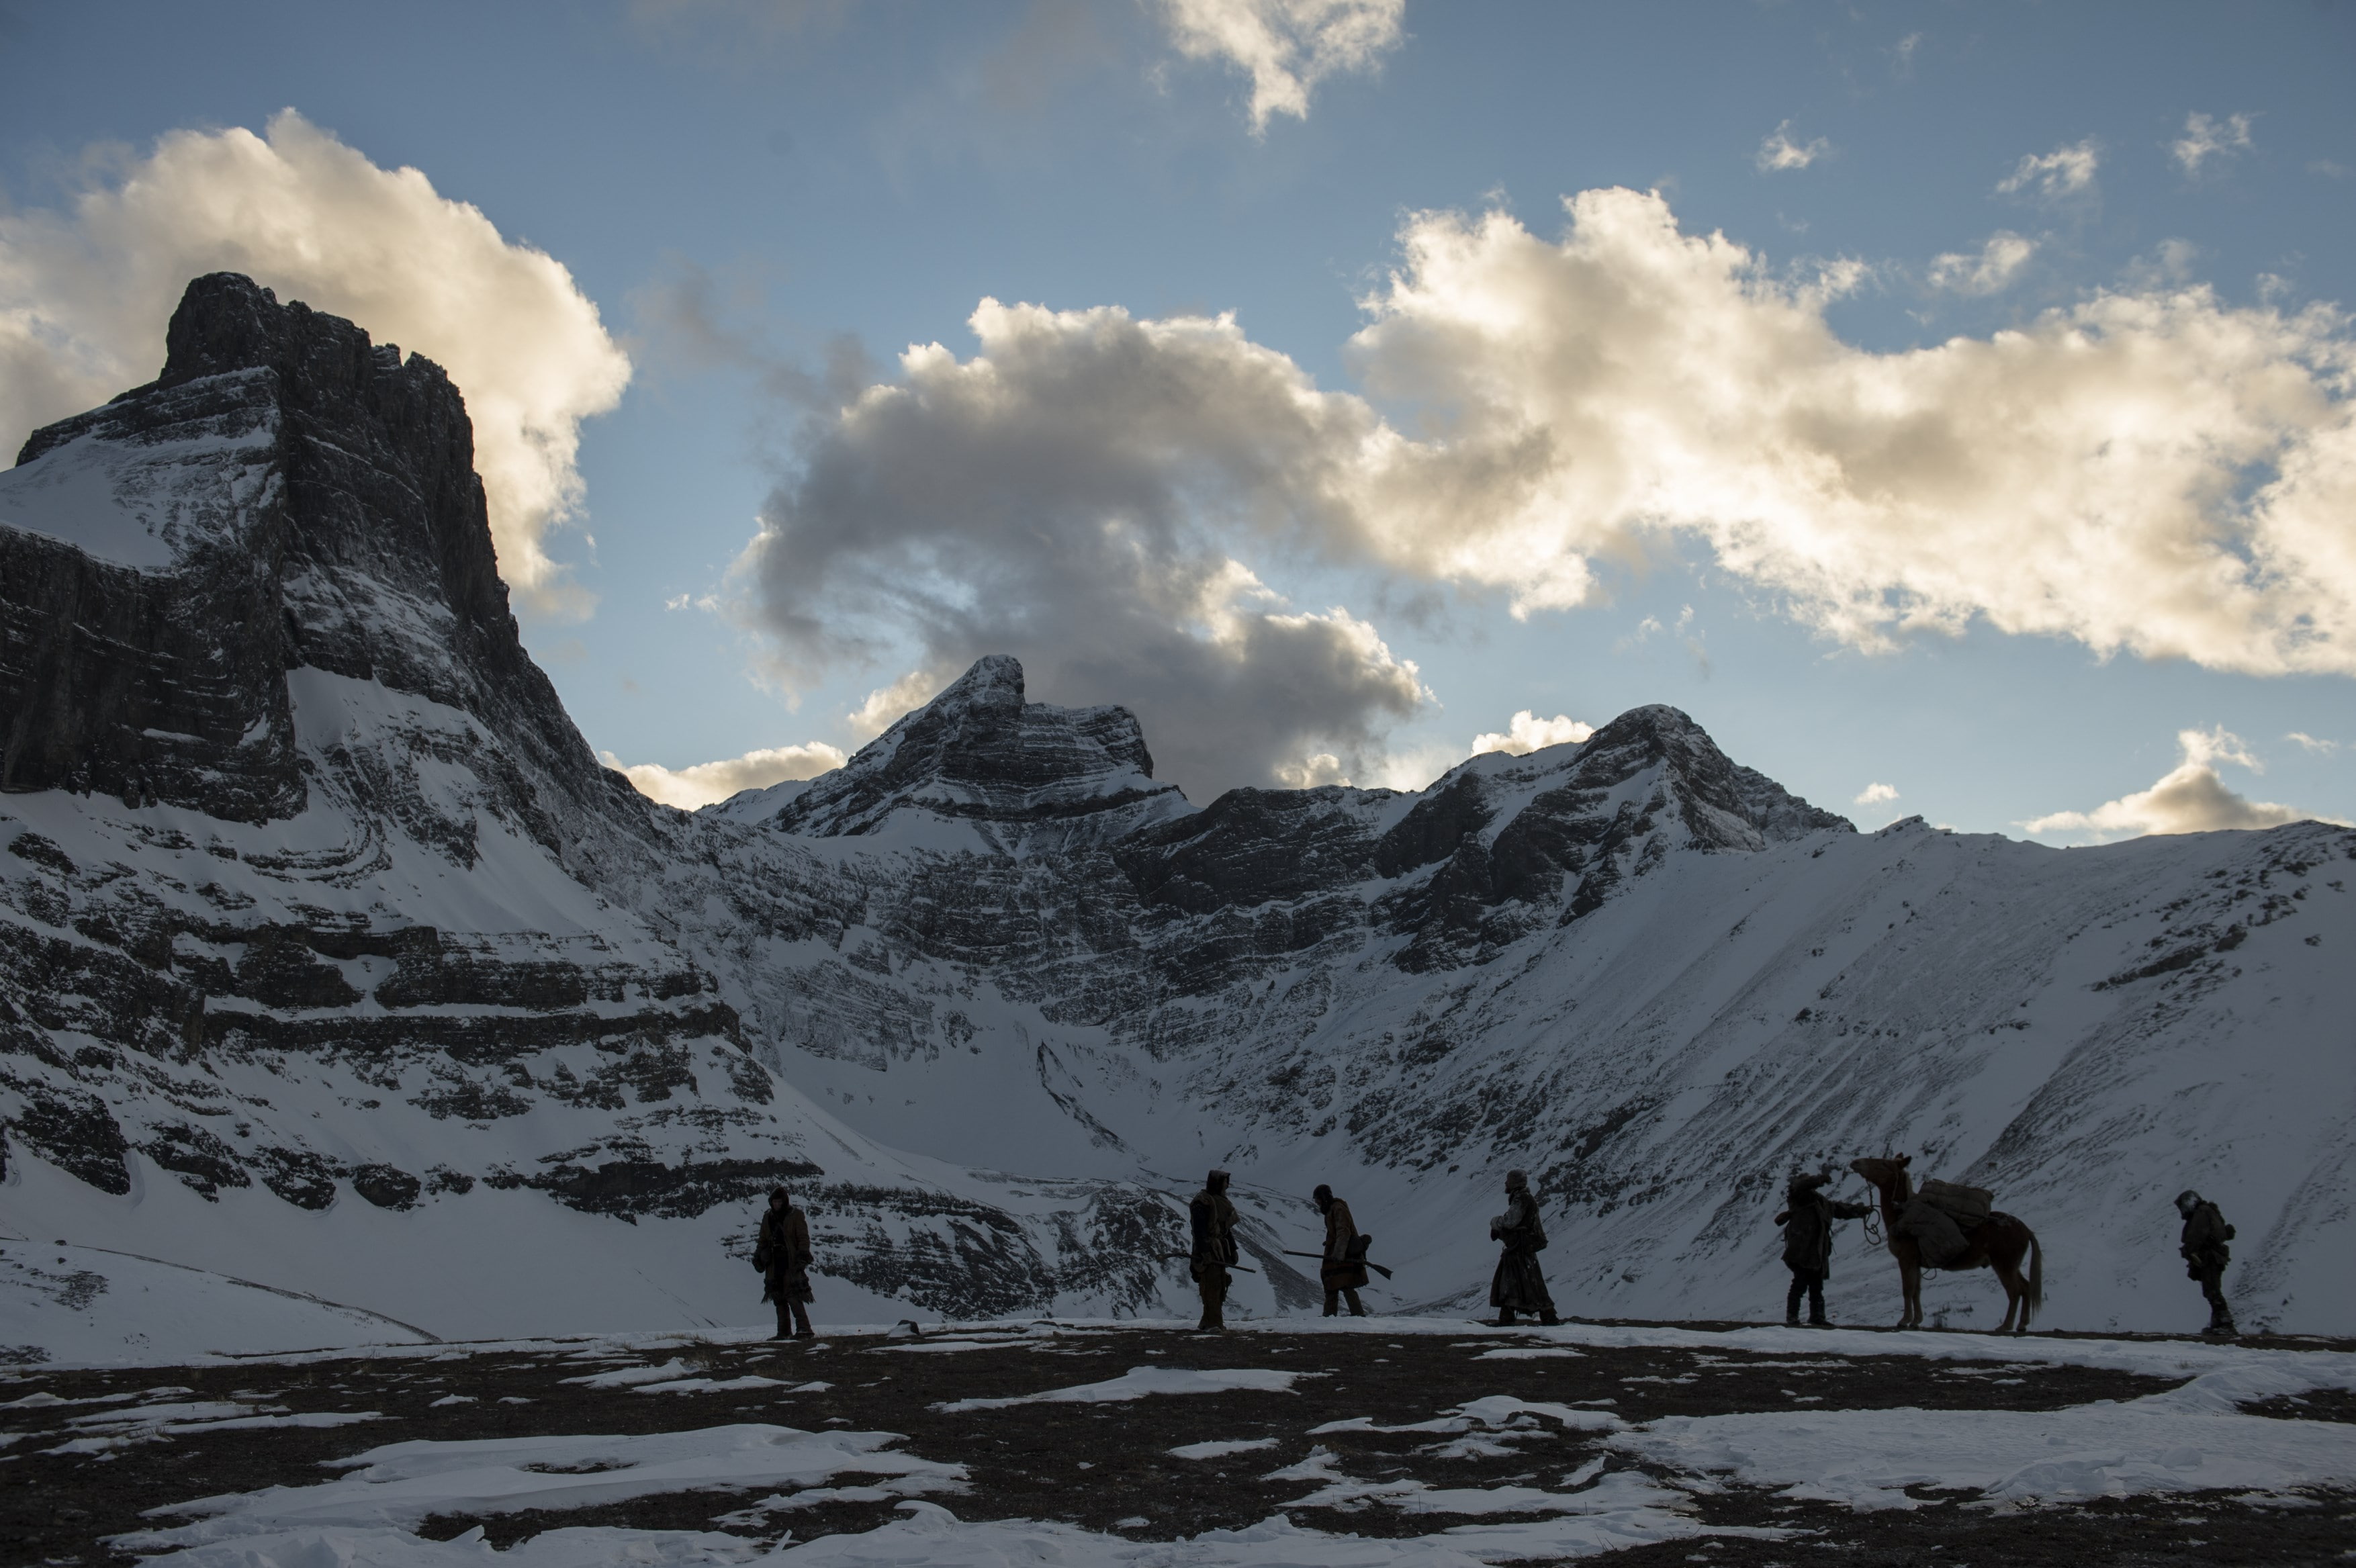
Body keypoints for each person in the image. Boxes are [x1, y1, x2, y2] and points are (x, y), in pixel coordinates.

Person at [1775, 1170, 1871, 1327]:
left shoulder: (1821, 1202)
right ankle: (1795, 1317)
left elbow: (1840, 1210)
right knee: (1800, 1284)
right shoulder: (1799, 1198)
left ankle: (1816, 1316)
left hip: (1815, 1251)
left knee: (1815, 1286)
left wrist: (1860, 1211)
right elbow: (1800, 1187)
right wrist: (1819, 1179)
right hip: (1802, 1250)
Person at [1488, 1170, 1559, 1326]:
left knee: (1512, 1281)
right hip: (1522, 1248)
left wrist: (1495, 1222)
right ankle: (1547, 1316)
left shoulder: (1521, 1198)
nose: (1506, 1183)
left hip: (1520, 1249)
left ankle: (1509, 1318)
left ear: (1514, 1182)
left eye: (1508, 1180)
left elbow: (1511, 1221)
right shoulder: (1524, 1198)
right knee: (1528, 1281)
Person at [2175, 1189, 2238, 1338]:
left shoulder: (2201, 1213)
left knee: (2212, 1290)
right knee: (2211, 1289)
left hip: (2210, 1257)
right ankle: (2218, 1323)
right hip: (2214, 1257)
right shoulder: (2209, 1211)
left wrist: (2188, 1250)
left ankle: (2225, 1324)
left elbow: (2196, 1236)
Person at [754, 1187, 815, 1339]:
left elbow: (803, 1238)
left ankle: (804, 1329)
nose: (777, 1204)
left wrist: (802, 1257)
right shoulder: (768, 1217)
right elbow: (762, 1239)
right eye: (774, 1202)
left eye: (779, 1202)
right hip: (774, 1263)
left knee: (793, 1295)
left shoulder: (796, 1216)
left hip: (790, 1261)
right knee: (778, 1296)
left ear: (785, 1202)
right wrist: (759, 1257)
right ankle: (784, 1331)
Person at [1189, 1169, 1240, 1332]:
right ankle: (1213, 1323)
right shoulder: (1203, 1202)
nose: (1227, 1185)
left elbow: (1225, 1228)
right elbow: (1199, 1230)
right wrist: (1204, 1251)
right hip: (1209, 1249)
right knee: (1211, 1285)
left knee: (1219, 1284)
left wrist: (1232, 1249)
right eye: (1225, 1182)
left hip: (1218, 1249)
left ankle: (1208, 1321)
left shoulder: (1220, 1201)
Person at [1313, 1184, 1369, 1318]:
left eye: (1318, 1200)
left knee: (1346, 1284)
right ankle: (1329, 1317)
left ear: (1324, 1198)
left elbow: (1343, 1232)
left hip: (1343, 1253)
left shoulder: (1338, 1208)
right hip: (1335, 1252)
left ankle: (1358, 1316)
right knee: (1331, 1285)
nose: (1317, 1203)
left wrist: (1339, 1253)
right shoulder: (1331, 1210)